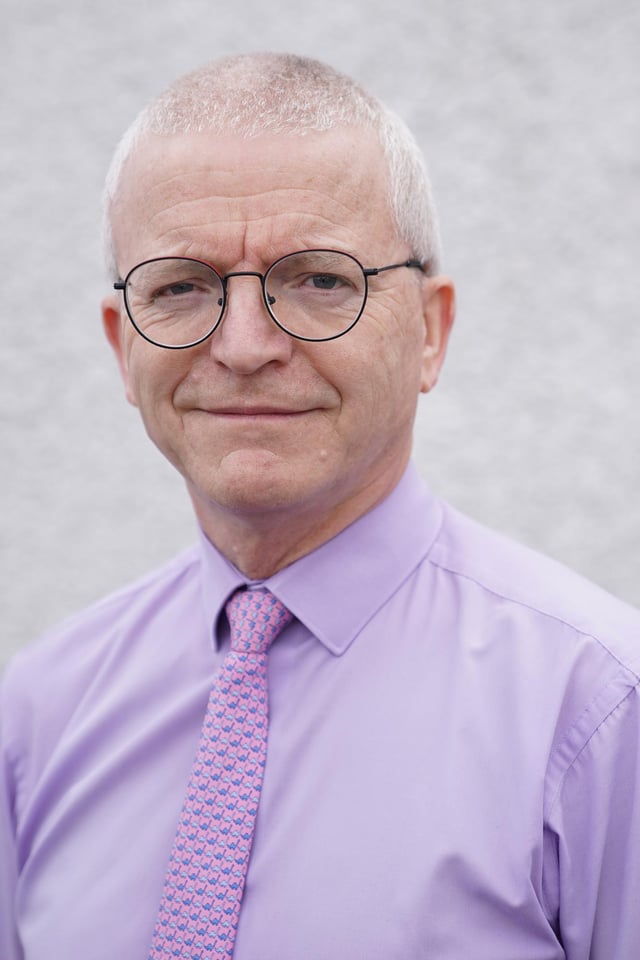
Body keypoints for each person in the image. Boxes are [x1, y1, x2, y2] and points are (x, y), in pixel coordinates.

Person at [1, 52, 639, 960]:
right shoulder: (39, 713)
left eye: (319, 279)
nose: (246, 345)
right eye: (182, 286)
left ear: (430, 330)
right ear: (120, 346)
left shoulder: (600, 711)